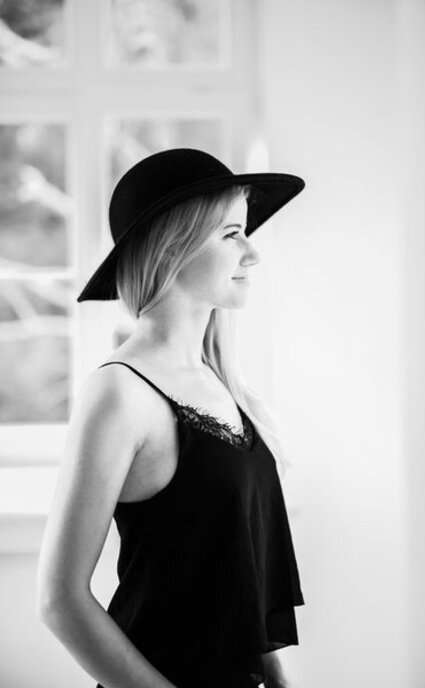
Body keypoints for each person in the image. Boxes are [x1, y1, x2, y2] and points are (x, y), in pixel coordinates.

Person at [36, 148, 306, 688]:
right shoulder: (120, 392)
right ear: (173, 246)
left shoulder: (223, 384)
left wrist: (278, 679)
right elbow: (59, 601)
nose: (252, 253)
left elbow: (240, 578)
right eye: (232, 234)